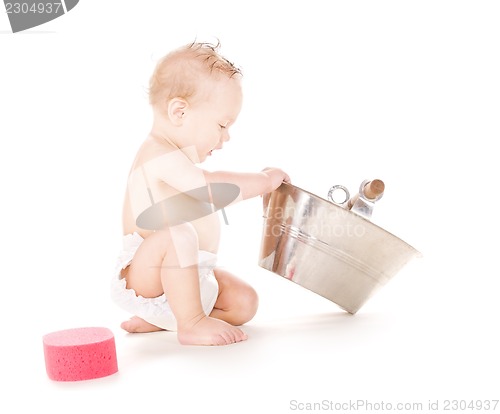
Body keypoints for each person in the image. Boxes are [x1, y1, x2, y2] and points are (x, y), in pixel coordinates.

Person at [111, 41, 290, 346]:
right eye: (222, 124)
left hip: (192, 275)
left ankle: (166, 318)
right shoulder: (157, 153)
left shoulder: (174, 158)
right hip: (147, 278)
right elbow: (208, 188)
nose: (227, 136)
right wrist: (262, 181)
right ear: (179, 111)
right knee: (177, 234)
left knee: (245, 302)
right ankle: (191, 322)